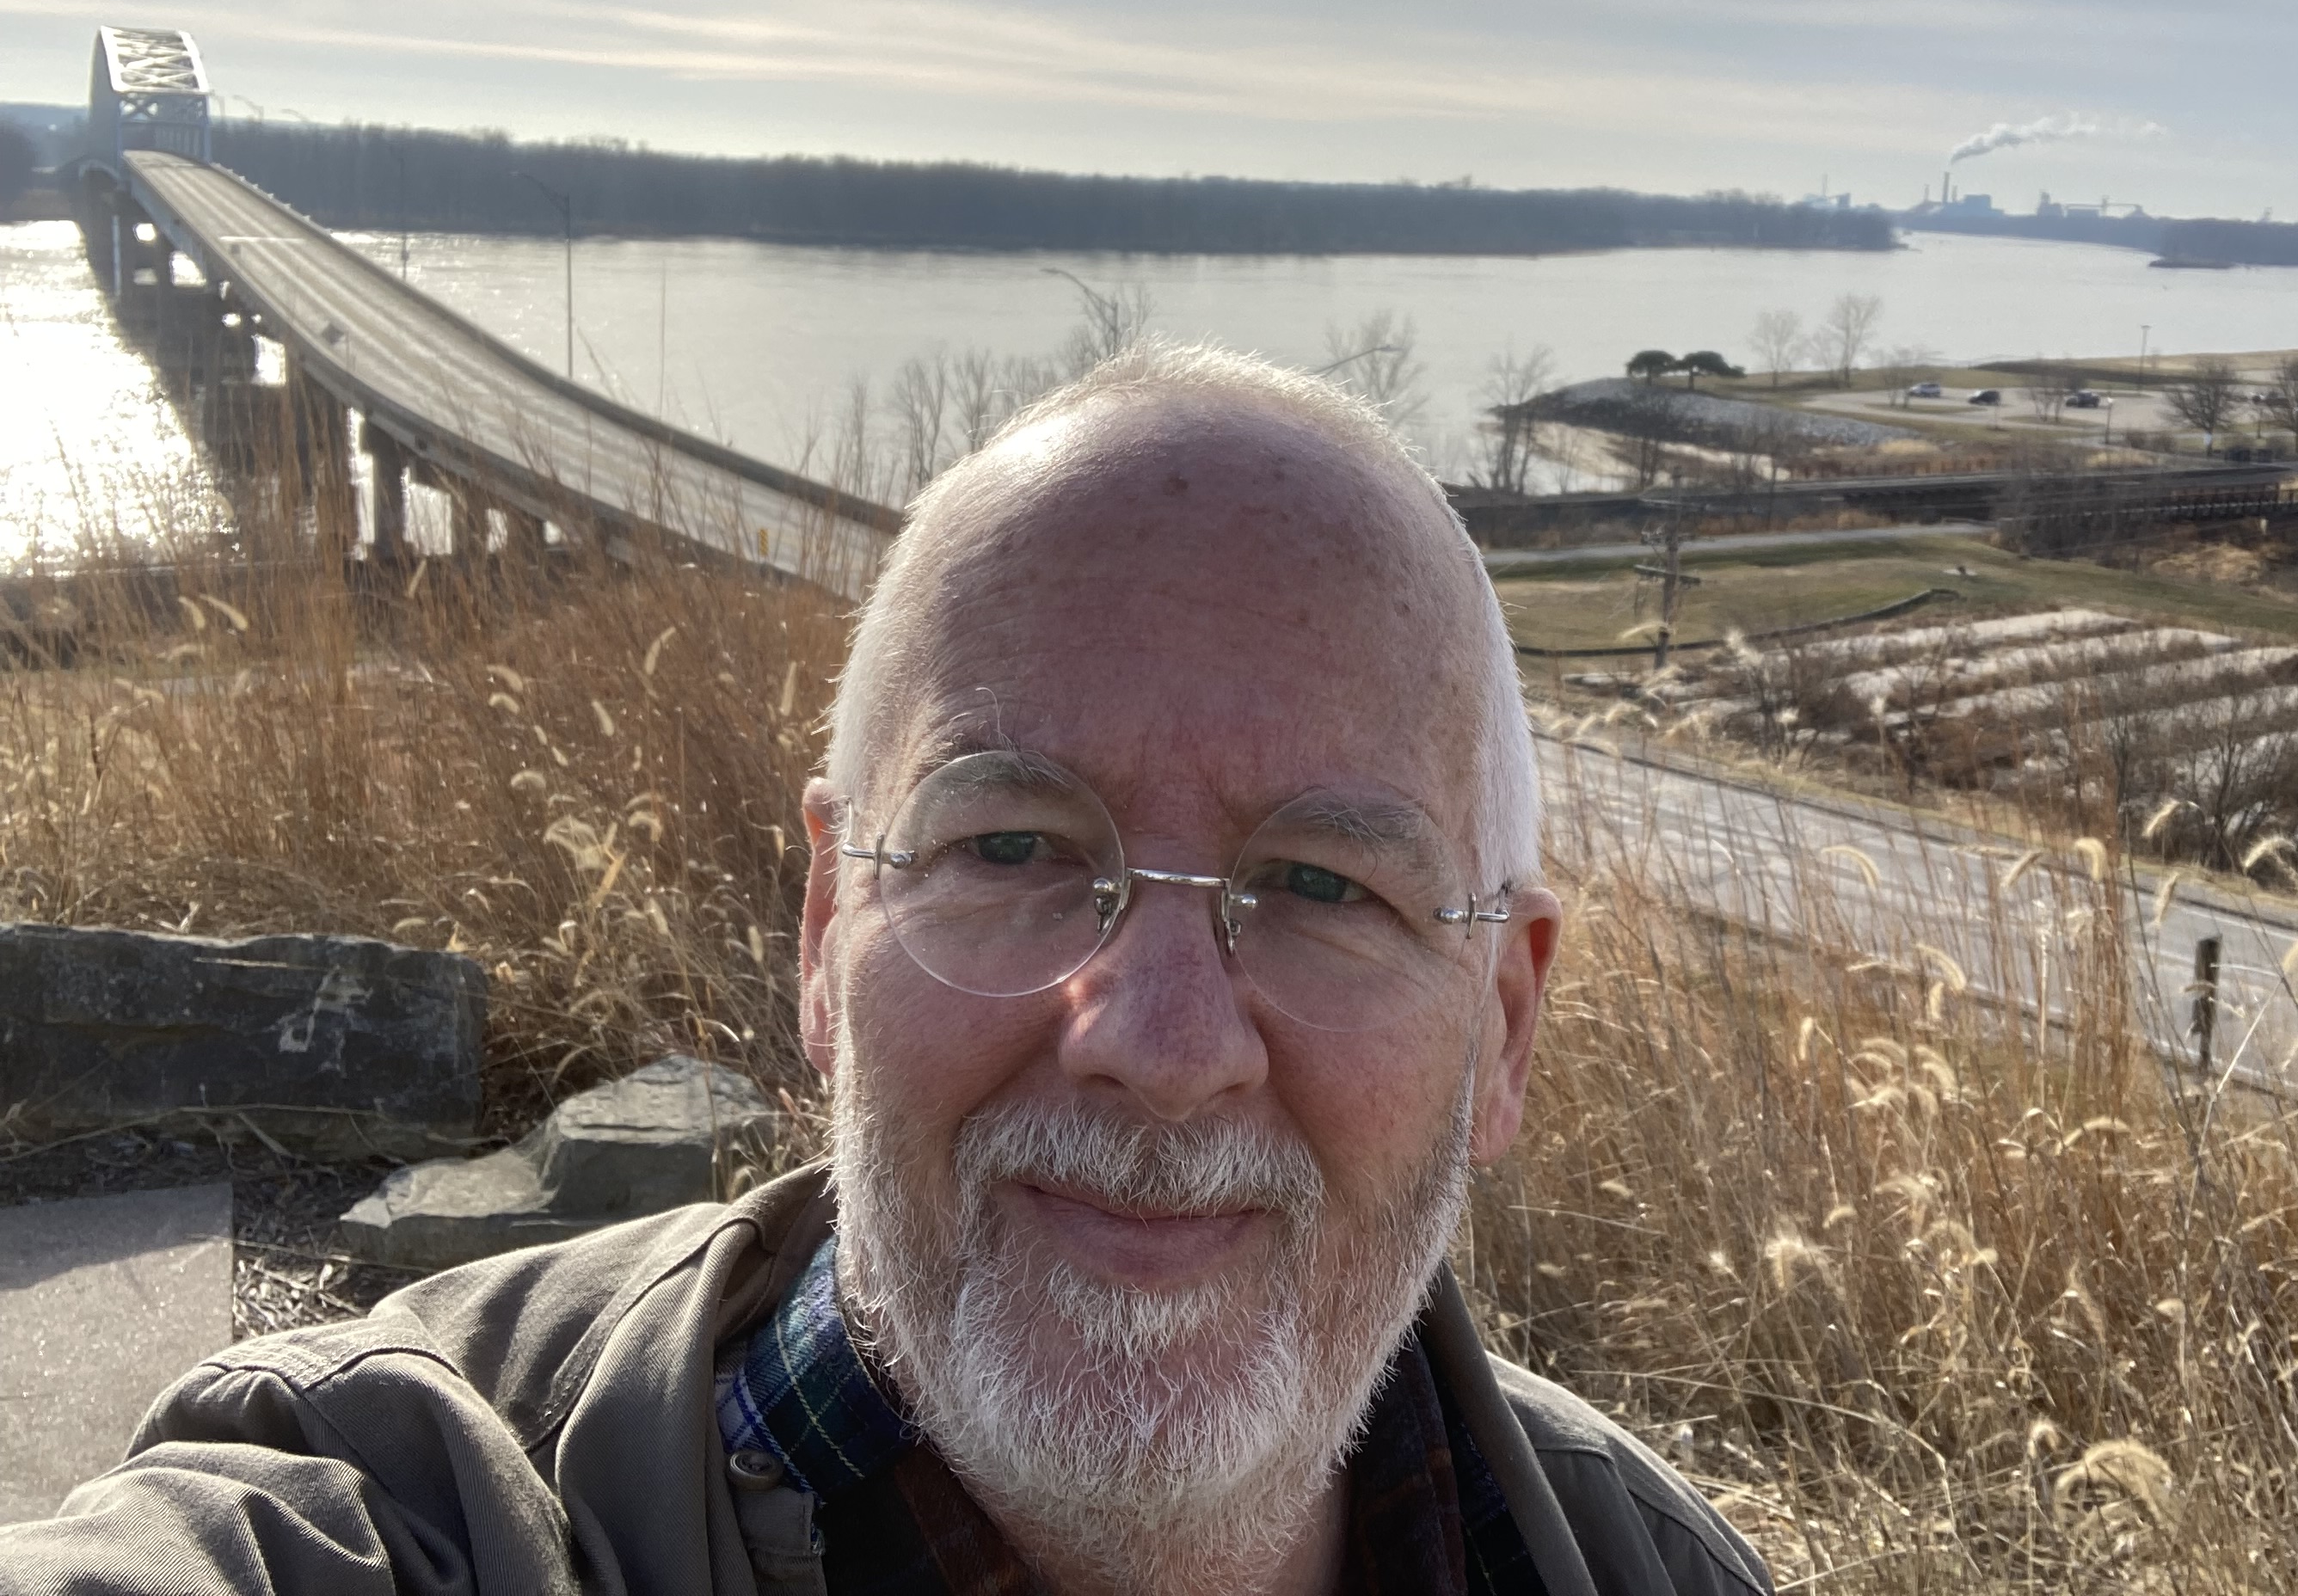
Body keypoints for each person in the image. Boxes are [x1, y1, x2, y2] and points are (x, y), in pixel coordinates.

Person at [2, 345, 1769, 1596]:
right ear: (822, 936)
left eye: (1321, 884)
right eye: (1012, 847)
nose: (1160, 1043)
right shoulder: (414, 1508)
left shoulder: (1655, 1564)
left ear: (1505, 1025)